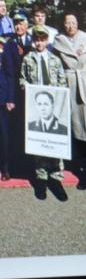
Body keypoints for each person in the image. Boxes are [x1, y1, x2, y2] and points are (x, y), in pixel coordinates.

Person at [52, 13, 86, 195]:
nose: (70, 26)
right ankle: (84, 176)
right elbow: (56, 67)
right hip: (70, 88)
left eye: (73, 22)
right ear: (63, 24)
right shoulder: (58, 41)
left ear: (78, 24)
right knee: (78, 136)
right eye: (67, 22)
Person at [21, 25, 68, 201]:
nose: (39, 43)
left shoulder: (55, 60)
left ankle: (55, 178)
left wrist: (59, 96)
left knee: (55, 141)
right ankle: (40, 178)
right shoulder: (28, 59)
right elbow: (22, 79)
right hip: (36, 105)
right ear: (33, 41)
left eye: (42, 40)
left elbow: (62, 80)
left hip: (54, 105)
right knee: (39, 142)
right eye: (37, 40)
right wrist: (28, 88)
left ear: (47, 40)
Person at [0, 13, 31, 181]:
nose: (19, 26)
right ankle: (9, 167)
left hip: (26, 94)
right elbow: (9, 72)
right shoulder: (9, 43)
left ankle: (25, 166)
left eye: (21, 23)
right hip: (12, 94)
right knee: (9, 132)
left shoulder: (34, 40)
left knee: (22, 131)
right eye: (16, 23)